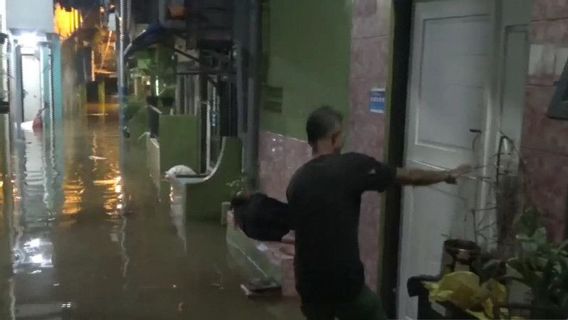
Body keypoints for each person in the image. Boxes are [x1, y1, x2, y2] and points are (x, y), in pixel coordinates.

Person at [286, 106, 470, 320]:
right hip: (345, 285)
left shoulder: (296, 182)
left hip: (309, 286)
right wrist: (447, 175)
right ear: (335, 138)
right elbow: (409, 176)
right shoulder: (351, 166)